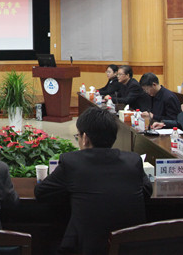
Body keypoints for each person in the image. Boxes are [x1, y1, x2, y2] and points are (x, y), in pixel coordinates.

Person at [35, 107, 152, 255]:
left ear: (85, 138)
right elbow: (147, 191)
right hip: (129, 248)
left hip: (86, 249)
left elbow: (41, 192)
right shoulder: (133, 160)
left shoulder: (72, 162)